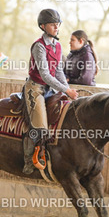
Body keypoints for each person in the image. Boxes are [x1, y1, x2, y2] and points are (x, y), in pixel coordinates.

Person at [23, 9, 78, 174]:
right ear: (42, 26)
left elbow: (58, 71)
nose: (56, 27)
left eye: (58, 24)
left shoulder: (58, 45)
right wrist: (66, 89)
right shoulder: (39, 46)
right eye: (53, 24)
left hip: (52, 88)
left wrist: (67, 89)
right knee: (40, 126)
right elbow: (45, 75)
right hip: (36, 89)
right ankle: (28, 161)